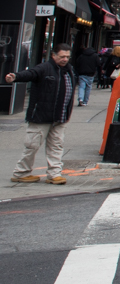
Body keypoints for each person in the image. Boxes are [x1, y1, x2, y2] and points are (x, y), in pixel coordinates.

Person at [6, 42, 77, 184]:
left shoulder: (69, 70)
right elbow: (31, 74)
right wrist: (15, 77)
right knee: (32, 146)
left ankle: (54, 174)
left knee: (56, 146)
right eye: (62, 56)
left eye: (67, 57)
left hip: (60, 116)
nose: (65, 59)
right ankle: (21, 172)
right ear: (53, 55)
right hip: (41, 116)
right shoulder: (44, 68)